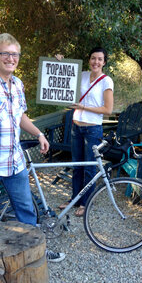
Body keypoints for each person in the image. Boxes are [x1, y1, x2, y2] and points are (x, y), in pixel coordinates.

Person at [0, 33, 65, 262]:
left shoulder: (17, 84)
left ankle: (32, 255)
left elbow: (19, 116)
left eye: (15, 54)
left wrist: (38, 134)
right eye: (5, 53)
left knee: (27, 211)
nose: (11, 58)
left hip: (14, 163)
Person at [58, 47, 114, 217]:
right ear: (89, 60)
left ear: (104, 62)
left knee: (89, 168)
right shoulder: (81, 75)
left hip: (92, 129)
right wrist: (59, 62)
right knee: (77, 165)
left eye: (99, 59)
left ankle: (85, 202)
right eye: (93, 58)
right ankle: (75, 199)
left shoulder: (106, 81)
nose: (95, 62)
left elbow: (108, 109)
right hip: (77, 126)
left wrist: (83, 107)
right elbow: (63, 76)